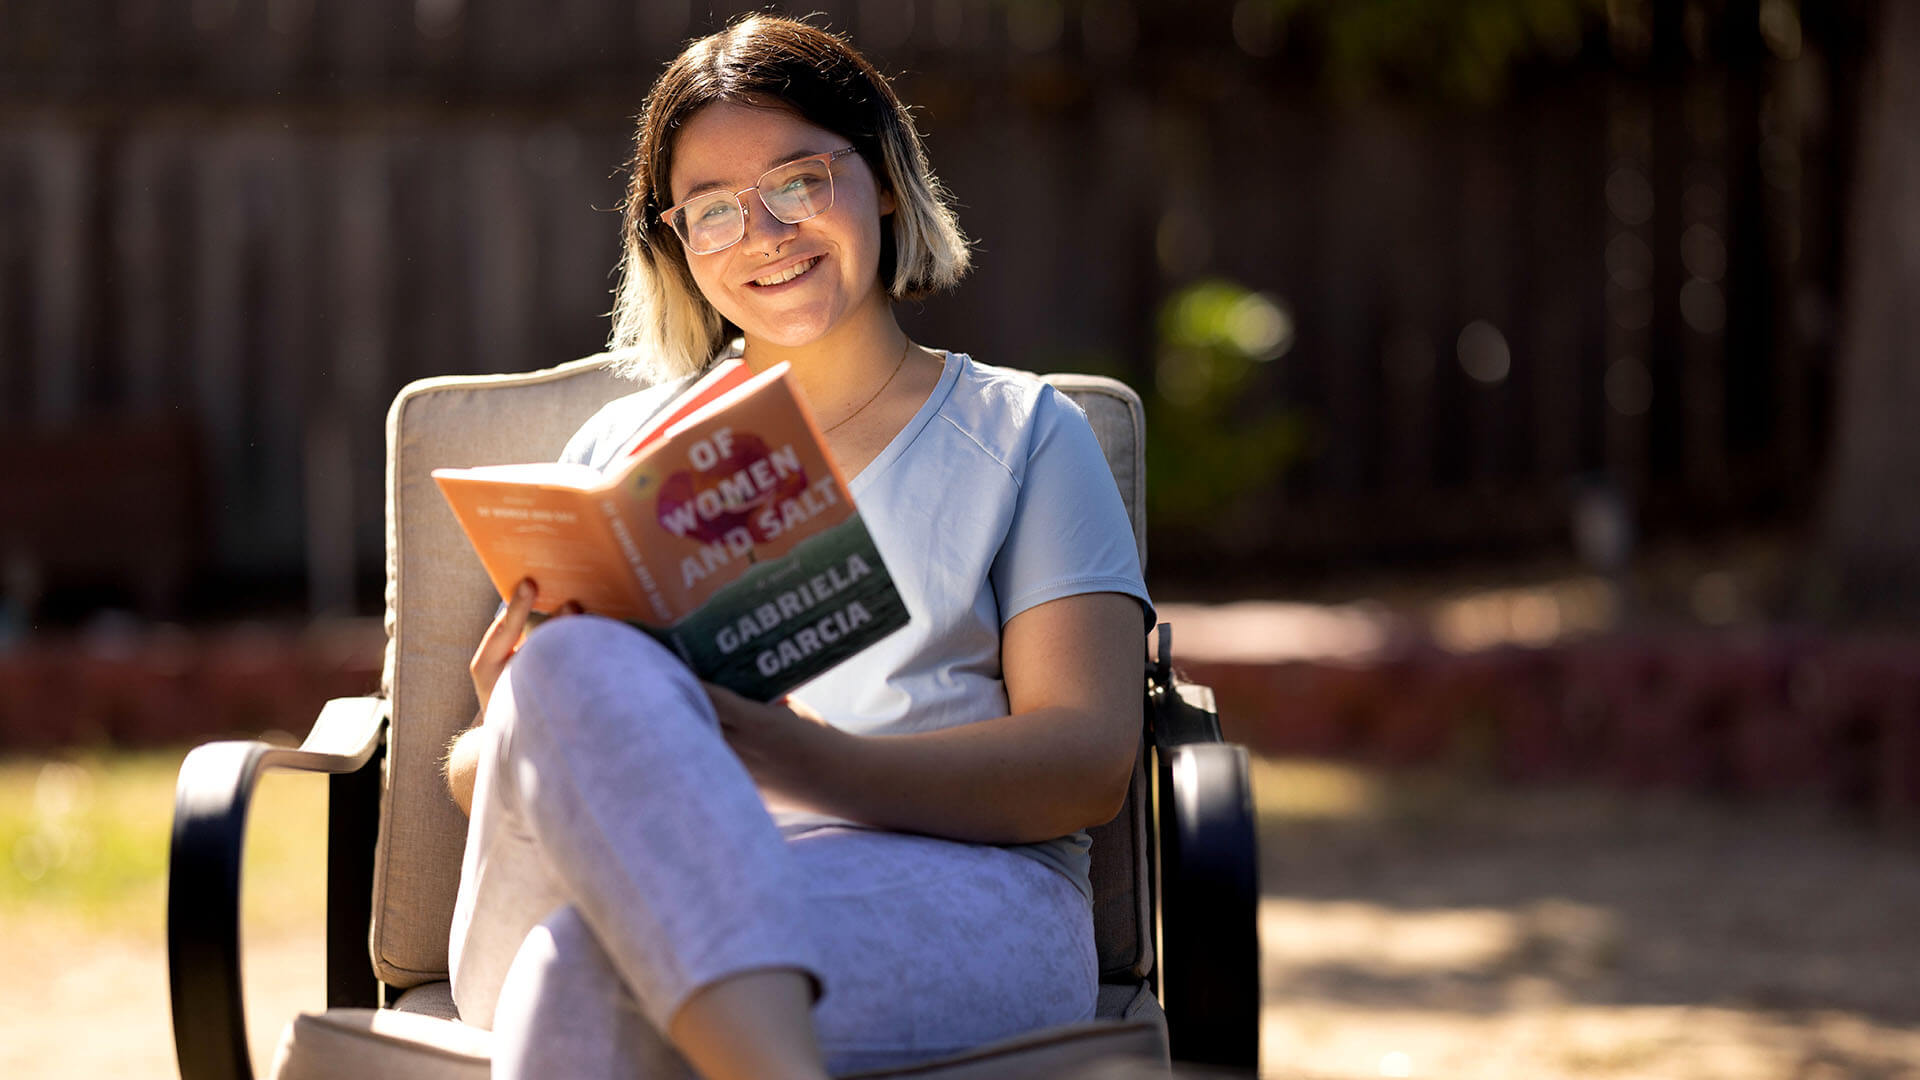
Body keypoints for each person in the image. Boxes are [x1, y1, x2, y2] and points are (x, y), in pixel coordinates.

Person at [441, 14, 1152, 1080]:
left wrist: (789, 754)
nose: (765, 232)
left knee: (585, 976)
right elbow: (474, 779)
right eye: (713, 211)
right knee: (574, 674)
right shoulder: (618, 454)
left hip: (956, 890)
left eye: (802, 180)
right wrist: (520, 721)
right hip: (609, 870)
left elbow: (1088, 762)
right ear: (676, 244)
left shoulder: (1023, 434)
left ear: (888, 182)